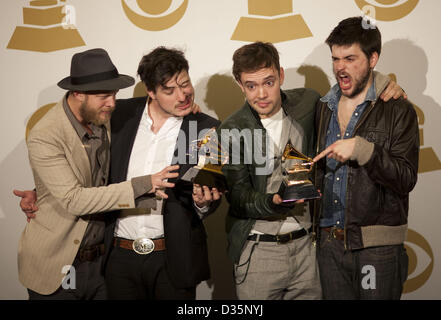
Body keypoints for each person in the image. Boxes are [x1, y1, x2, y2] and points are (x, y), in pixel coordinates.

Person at [217, 41, 405, 300]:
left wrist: (385, 84)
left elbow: (356, 90)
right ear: (240, 84)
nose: (261, 93)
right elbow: (237, 196)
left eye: (269, 82)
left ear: (281, 75)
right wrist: (272, 202)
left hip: (307, 249)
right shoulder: (231, 129)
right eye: (251, 86)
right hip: (260, 251)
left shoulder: (307, 102)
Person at [19, 48, 179, 300]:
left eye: (114, 95)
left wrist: (187, 107)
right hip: (57, 266)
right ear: (78, 94)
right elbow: (73, 199)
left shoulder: (101, 116)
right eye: (105, 96)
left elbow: (149, 105)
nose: (113, 103)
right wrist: (144, 184)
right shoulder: (45, 135)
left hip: (102, 264)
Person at [312, 16, 419, 300]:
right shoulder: (324, 106)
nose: (339, 68)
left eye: (349, 58)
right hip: (329, 246)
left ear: (373, 59)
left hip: (377, 251)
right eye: (335, 59)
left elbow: (406, 178)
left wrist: (364, 150)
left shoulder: (398, 110)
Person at [102, 47, 221, 300]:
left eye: (185, 84)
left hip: (174, 258)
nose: (183, 95)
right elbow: (90, 162)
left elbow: (211, 190)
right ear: (151, 91)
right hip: (118, 257)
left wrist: (202, 203)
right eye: (169, 90)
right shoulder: (119, 115)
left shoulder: (206, 128)